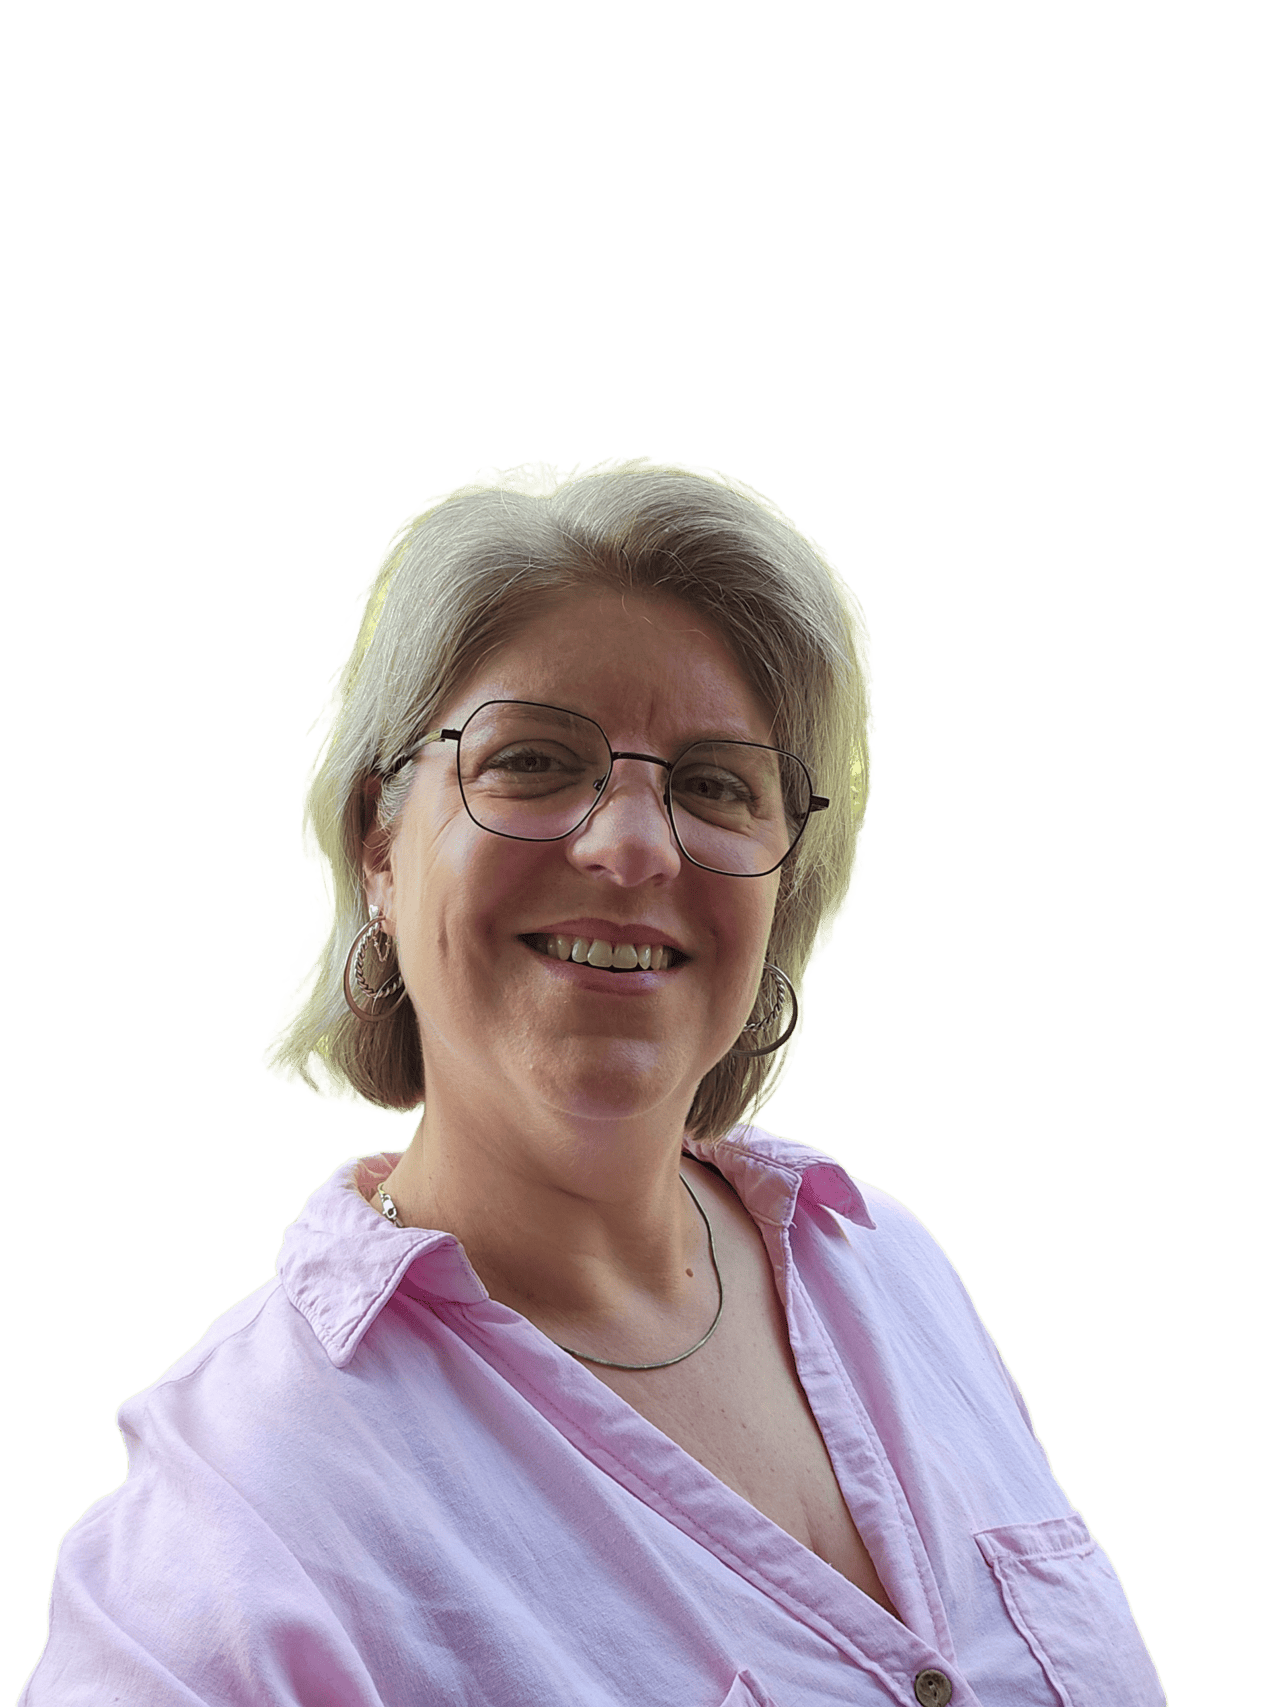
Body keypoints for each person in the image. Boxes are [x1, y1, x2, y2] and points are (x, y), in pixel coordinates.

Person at [21, 457, 1166, 1706]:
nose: (630, 846)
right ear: (378, 844)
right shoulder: (238, 1515)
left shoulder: (884, 1265)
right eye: (532, 760)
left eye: (715, 784)